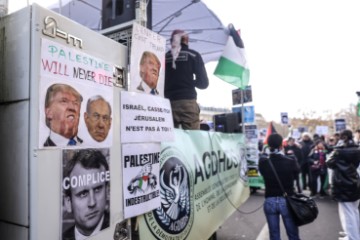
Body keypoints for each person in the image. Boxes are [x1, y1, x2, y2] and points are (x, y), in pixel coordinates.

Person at [259, 133, 301, 240]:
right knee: (293, 234)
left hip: (270, 200)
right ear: (282, 146)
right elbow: (297, 174)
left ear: (268, 146)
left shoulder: (263, 162)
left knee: (274, 235)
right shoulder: (291, 160)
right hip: (287, 201)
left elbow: (262, 169)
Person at [164, 29, 209, 130]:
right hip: (187, 103)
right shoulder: (193, 55)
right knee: (192, 140)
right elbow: (203, 83)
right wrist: (189, 81)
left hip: (167, 104)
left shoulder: (163, 57)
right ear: (186, 41)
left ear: (172, 41)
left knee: (171, 141)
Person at [62, 149, 110, 240]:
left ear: (106, 190)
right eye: (83, 194)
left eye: (97, 189)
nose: (92, 203)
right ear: (68, 203)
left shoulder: (124, 231)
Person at [326, 129, 360, 240]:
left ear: (344, 137)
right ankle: (354, 235)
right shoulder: (357, 149)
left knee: (348, 214)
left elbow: (329, 163)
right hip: (354, 182)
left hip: (343, 184)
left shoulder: (339, 151)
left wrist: (337, 148)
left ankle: (352, 237)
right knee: (354, 211)